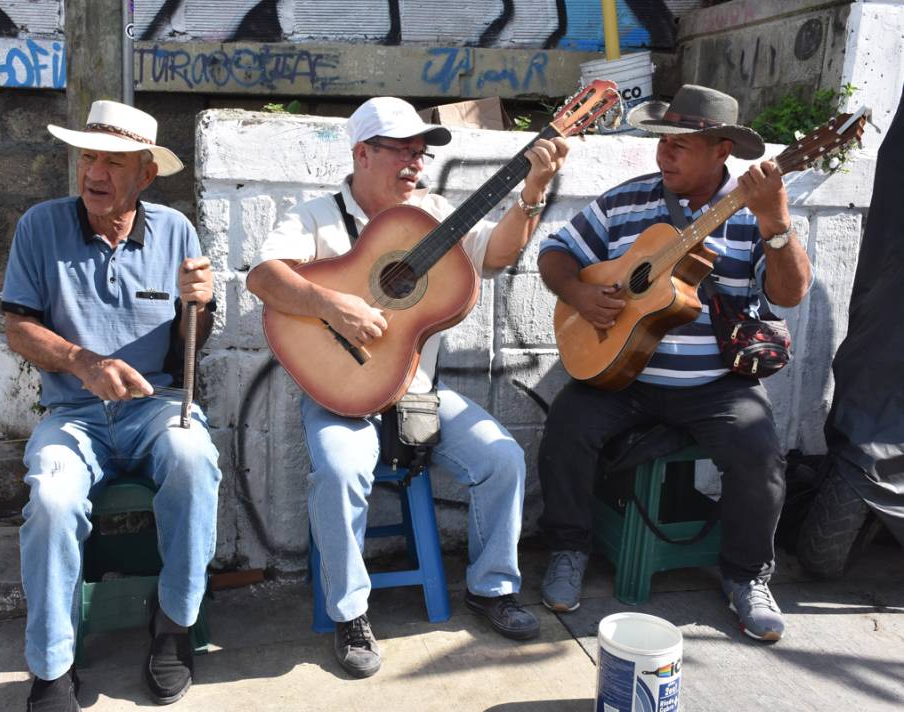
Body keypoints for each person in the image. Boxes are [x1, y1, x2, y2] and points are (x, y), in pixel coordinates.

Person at [247, 97, 568, 678]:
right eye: (401, 150)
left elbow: (496, 255)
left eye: (421, 153)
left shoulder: (436, 216)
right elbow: (265, 277)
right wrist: (334, 304)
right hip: (340, 395)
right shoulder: (315, 216)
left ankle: (491, 588)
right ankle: (350, 614)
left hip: (420, 392)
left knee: (503, 459)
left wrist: (532, 193)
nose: (415, 164)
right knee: (342, 471)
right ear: (362, 153)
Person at [537, 84, 812, 642]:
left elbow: (791, 294)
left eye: (682, 145)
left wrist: (777, 224)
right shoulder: (624, 200)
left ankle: (746, 576)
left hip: (715, 384)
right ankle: (567, 548)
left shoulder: (755, 210)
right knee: (566, 427)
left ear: (722, 149)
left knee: (760, 455)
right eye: (663, 140)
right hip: (620, 378)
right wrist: (580, 293)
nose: (664, 154)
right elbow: (555, 253)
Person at [1, 100, 221, 710]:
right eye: (88, 157)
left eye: (114, 162)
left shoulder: (176, 230)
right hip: (72, 412)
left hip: (157, 404)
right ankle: (51, 666)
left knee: (193, 460)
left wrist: (196, 304)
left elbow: (191, 348)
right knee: (50, 497)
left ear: (145, 174)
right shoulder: (40, 226)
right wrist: (83, 363)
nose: (95, 172)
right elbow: (17, 327)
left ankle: (173, 625)